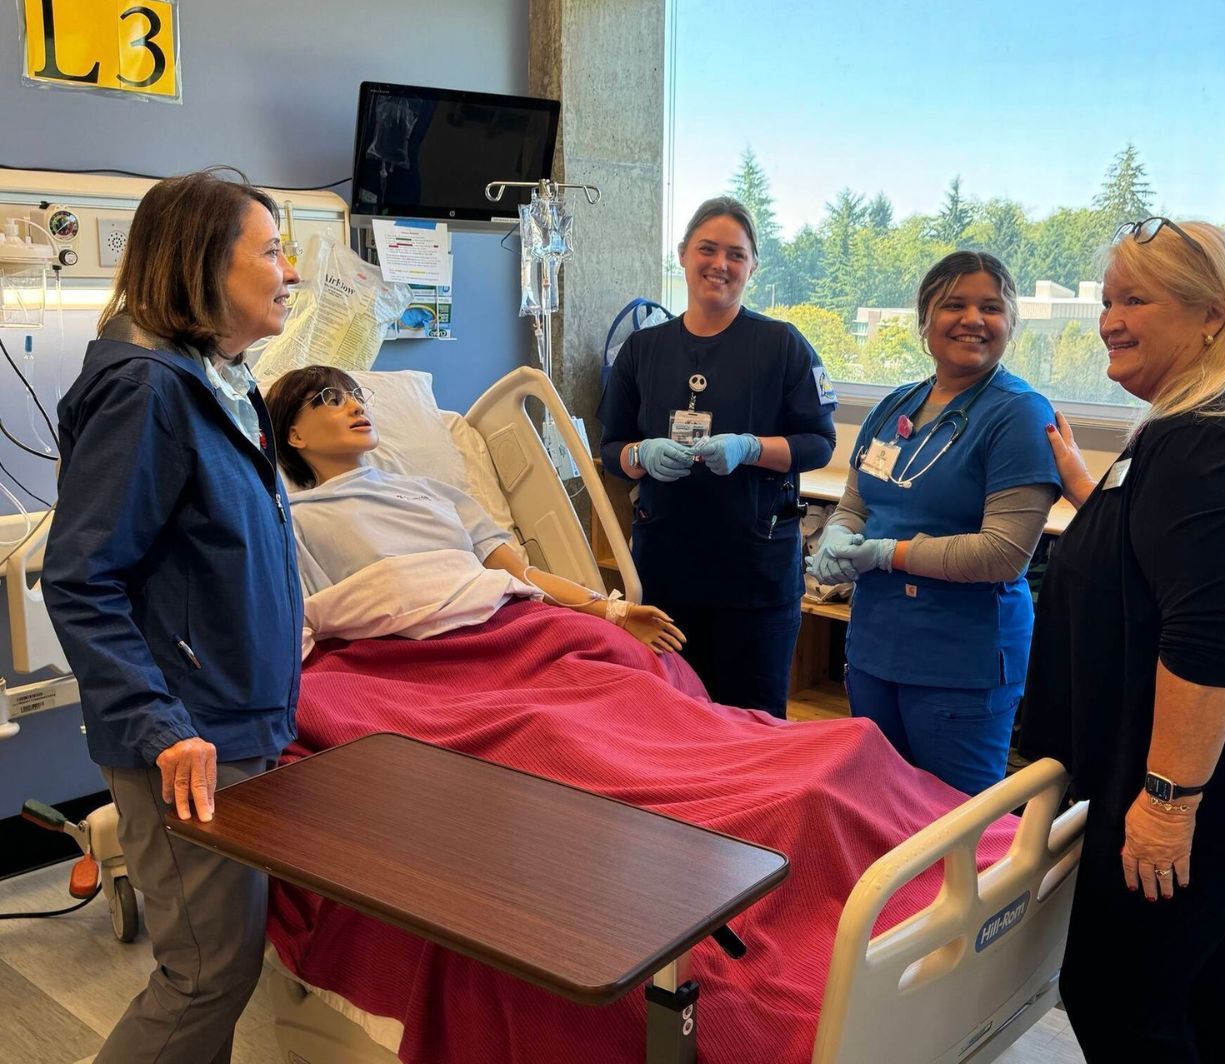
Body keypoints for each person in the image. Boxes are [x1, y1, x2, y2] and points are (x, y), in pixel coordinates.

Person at [1019, 218, 1225, 1062]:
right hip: (1215, 787)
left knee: (1119, 995)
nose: (1110, 319)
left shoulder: (1205, 441)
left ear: (1211, 317)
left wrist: (1165, 807)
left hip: (1183, 790)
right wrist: (1093, 494)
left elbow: (1207, 638)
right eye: (1108, 299)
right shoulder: (1218, 423)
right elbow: (1163, 562)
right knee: (1209, 981)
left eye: (1136, 300)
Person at [41, 169, 304, 1063]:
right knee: (205, 976)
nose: (291, 273)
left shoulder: (226, 385)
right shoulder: (149, 392)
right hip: (189, 741)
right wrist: (159, 726)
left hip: (237, 720)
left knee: (219, 971)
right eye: (271, 252)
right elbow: (80, 578)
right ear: (203, 266)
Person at [808, 251, 1060, 795]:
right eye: (954, 304)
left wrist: (885, 553)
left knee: (953, 833)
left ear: (1011, 322)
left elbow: (1002, 553)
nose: (972, 318)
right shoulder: (896, 406)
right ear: (925, 320)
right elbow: (858, 501)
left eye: (990, 307)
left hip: (959, 664)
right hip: (876, 648)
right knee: (879, 807)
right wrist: (837, 532)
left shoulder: (1018, 414)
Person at [597, 196, 837, 718]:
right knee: (669, 715)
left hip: (754, 575)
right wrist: (640, 453)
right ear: (682, 255)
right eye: (707, 249)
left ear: (753, 266)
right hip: (666, 571)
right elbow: (612, 450)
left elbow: (818, 443)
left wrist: (750, 448)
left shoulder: (782, 346)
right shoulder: (643, 351)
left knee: (751, 723)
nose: (720, 264)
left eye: (736, 253)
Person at [263, 365, 685, 654]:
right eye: (330, 398)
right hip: (409, 658)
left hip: (504, 625)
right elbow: (303, 625)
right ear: (294, 435)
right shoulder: (293, 521)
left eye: (357, 395)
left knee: (629, 659)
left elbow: (520, 576)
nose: (357, 406)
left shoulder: (436, 494)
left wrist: (614, 611)